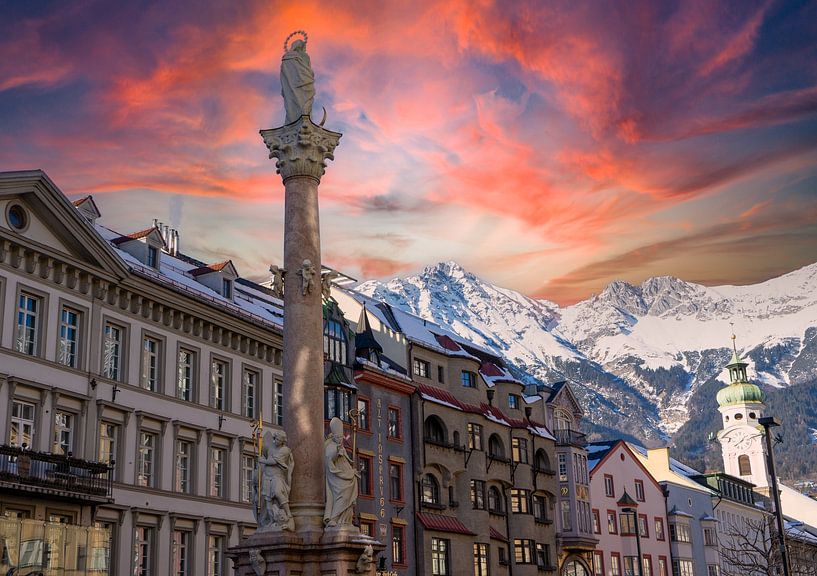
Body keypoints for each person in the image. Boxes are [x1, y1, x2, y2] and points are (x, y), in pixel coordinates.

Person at [324, 417, 358, 527]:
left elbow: (346, 461)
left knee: (347, 494)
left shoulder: (341, 446)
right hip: (336, 475)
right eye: (338, 437)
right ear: (333, 436)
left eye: (341, 437)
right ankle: (334, 518)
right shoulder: (331, 446)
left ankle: (344, 519)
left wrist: (352, 470)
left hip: (344, 474)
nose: (340, 439)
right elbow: (329, 460)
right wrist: (336, 452)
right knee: (342, 496)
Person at [258, 430, 295, 530]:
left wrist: (263, 461)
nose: (277, 441)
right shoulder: (270, 446)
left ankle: (288, 514)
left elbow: (274, 461)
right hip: (267, 476)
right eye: (276, 439)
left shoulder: (285, 450)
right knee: (268, 500)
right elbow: (265, 452)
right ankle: (271, 520)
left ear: (283, 441)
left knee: (278, 492)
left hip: (277, 476)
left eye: (279, 440)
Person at [280, 36, 315, 124]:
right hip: (293, 83)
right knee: (293, 101)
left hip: (298, 83)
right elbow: (308, 69)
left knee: (301, 101)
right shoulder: (292, 57)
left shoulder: (287, 57)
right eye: (303, 46)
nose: (304, 48)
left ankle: (302, 119)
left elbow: (307, 69)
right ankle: (295, 121)